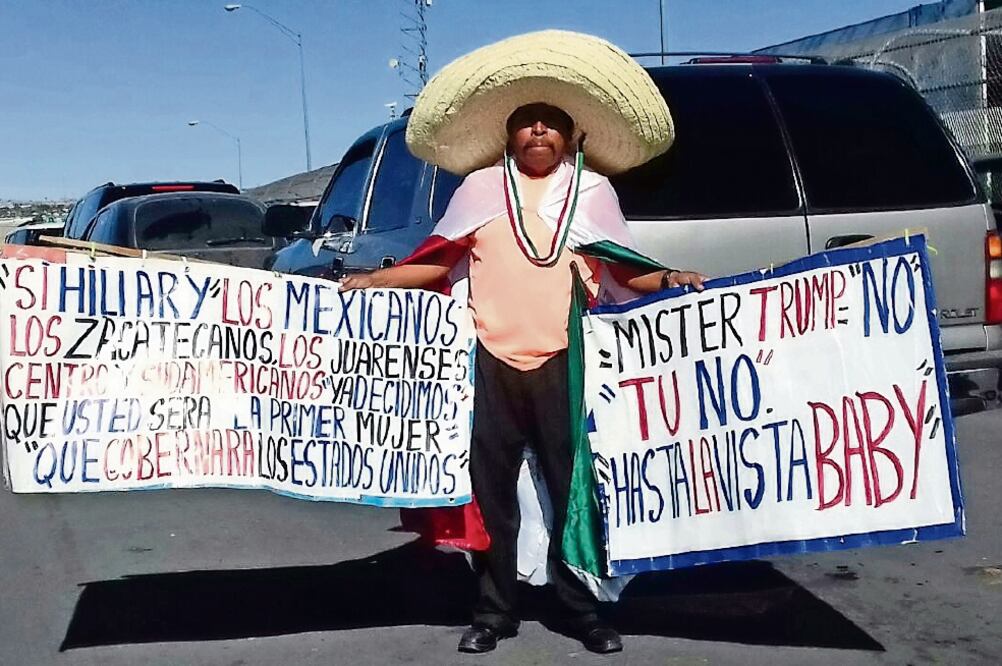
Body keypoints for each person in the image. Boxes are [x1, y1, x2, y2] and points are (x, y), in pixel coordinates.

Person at [341, 30, 706, 655]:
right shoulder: (481, 190)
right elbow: (438, 261)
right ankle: (494, 610)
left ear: (573, 137)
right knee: (492, 492)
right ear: (508, 136)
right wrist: (377, 277)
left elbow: (621, 267)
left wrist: (668, 277)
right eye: (526, 124)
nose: (539, 133)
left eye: (552, 124)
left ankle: (582, 609)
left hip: (566, 363)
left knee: (572, 489)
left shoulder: (591, 193)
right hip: (487, 361)